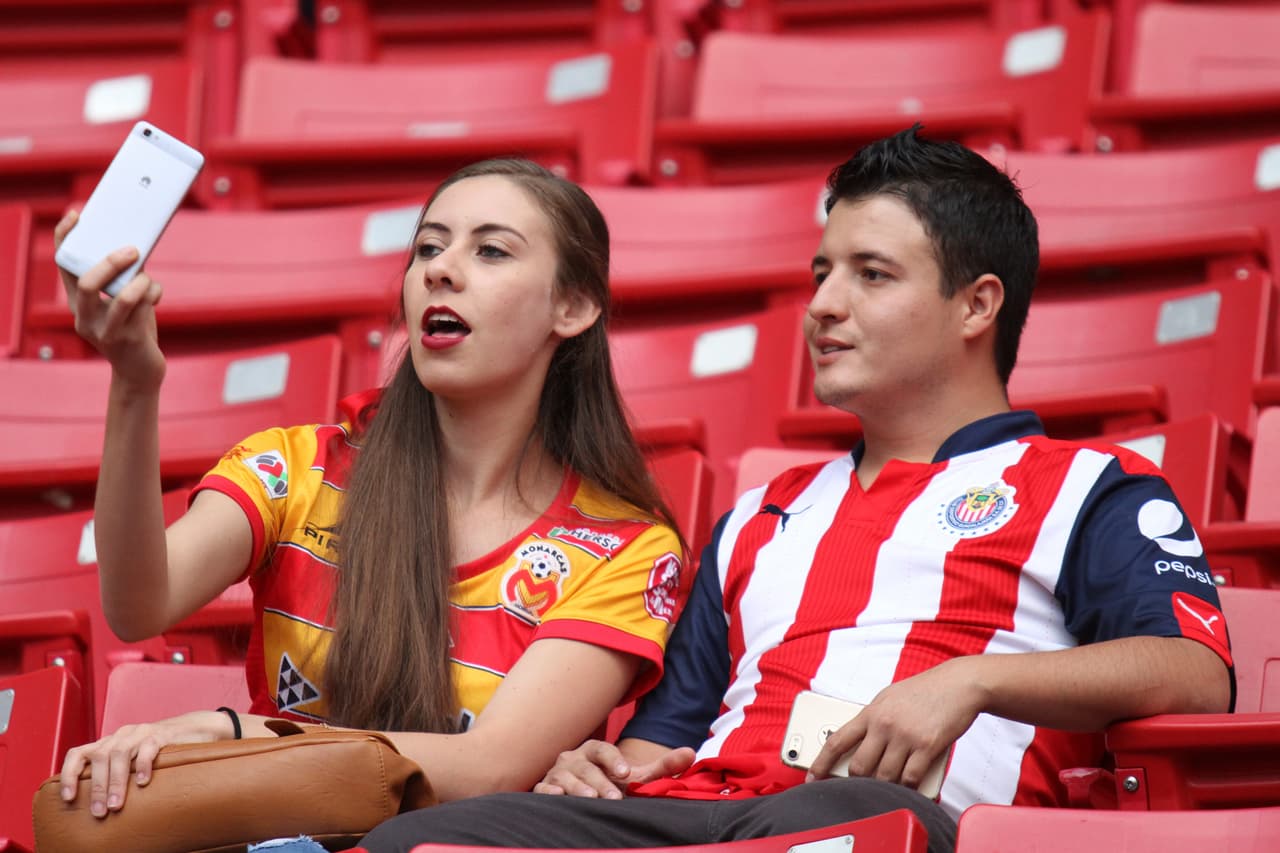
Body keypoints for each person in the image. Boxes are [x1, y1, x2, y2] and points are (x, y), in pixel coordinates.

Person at [359, 127, 1235, 853]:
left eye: (871, 274)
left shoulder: (1090, 485)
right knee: (414, 842)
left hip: (888, 821)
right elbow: (664, 738)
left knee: (835, 820)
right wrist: (604, 767)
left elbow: (1196, 674)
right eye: (822, 273)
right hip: (704, 814)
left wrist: (969, 682)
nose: (823, 304)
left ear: (977, 306)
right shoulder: (764, 513)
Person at [54, 159, 688, 824]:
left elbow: (489, 767)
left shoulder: (624, 548)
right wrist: (133, 382)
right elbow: (137, 604)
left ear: (574, 305)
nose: (441, 269)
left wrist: (240, 736)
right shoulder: (296, 468)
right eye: (428, 247)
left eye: (492, 250)